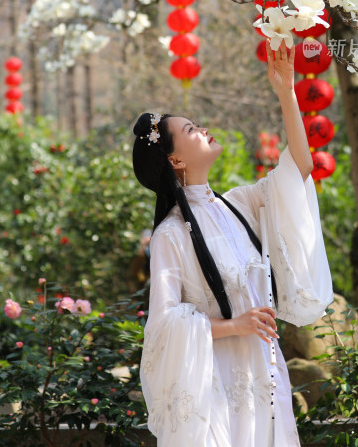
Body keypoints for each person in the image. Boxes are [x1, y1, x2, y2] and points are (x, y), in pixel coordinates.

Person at [132, 42, 334, 446]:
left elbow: (299, 168)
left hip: (266, 371)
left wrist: (287, 92)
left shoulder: (240, 205)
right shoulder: (171, 235)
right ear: (175, 160)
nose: (203, 129)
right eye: (191, 130)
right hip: (218, 382)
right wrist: (234, 325)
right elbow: (164, 324)